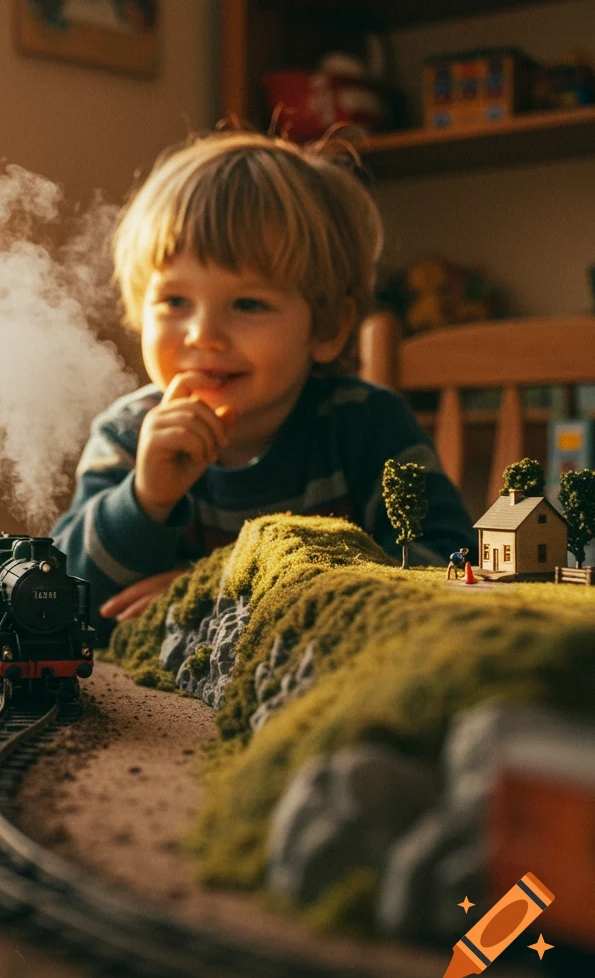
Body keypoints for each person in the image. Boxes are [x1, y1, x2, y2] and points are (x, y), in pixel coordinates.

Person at [51, 130, 475, 643]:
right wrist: (146, 499)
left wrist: (222, 595)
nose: (203, 335)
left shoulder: (368, 426)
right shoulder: (127, 437)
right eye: (174, 302)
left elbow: (447, 568)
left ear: (326, 329)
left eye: (248, 304)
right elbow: (63, 602)